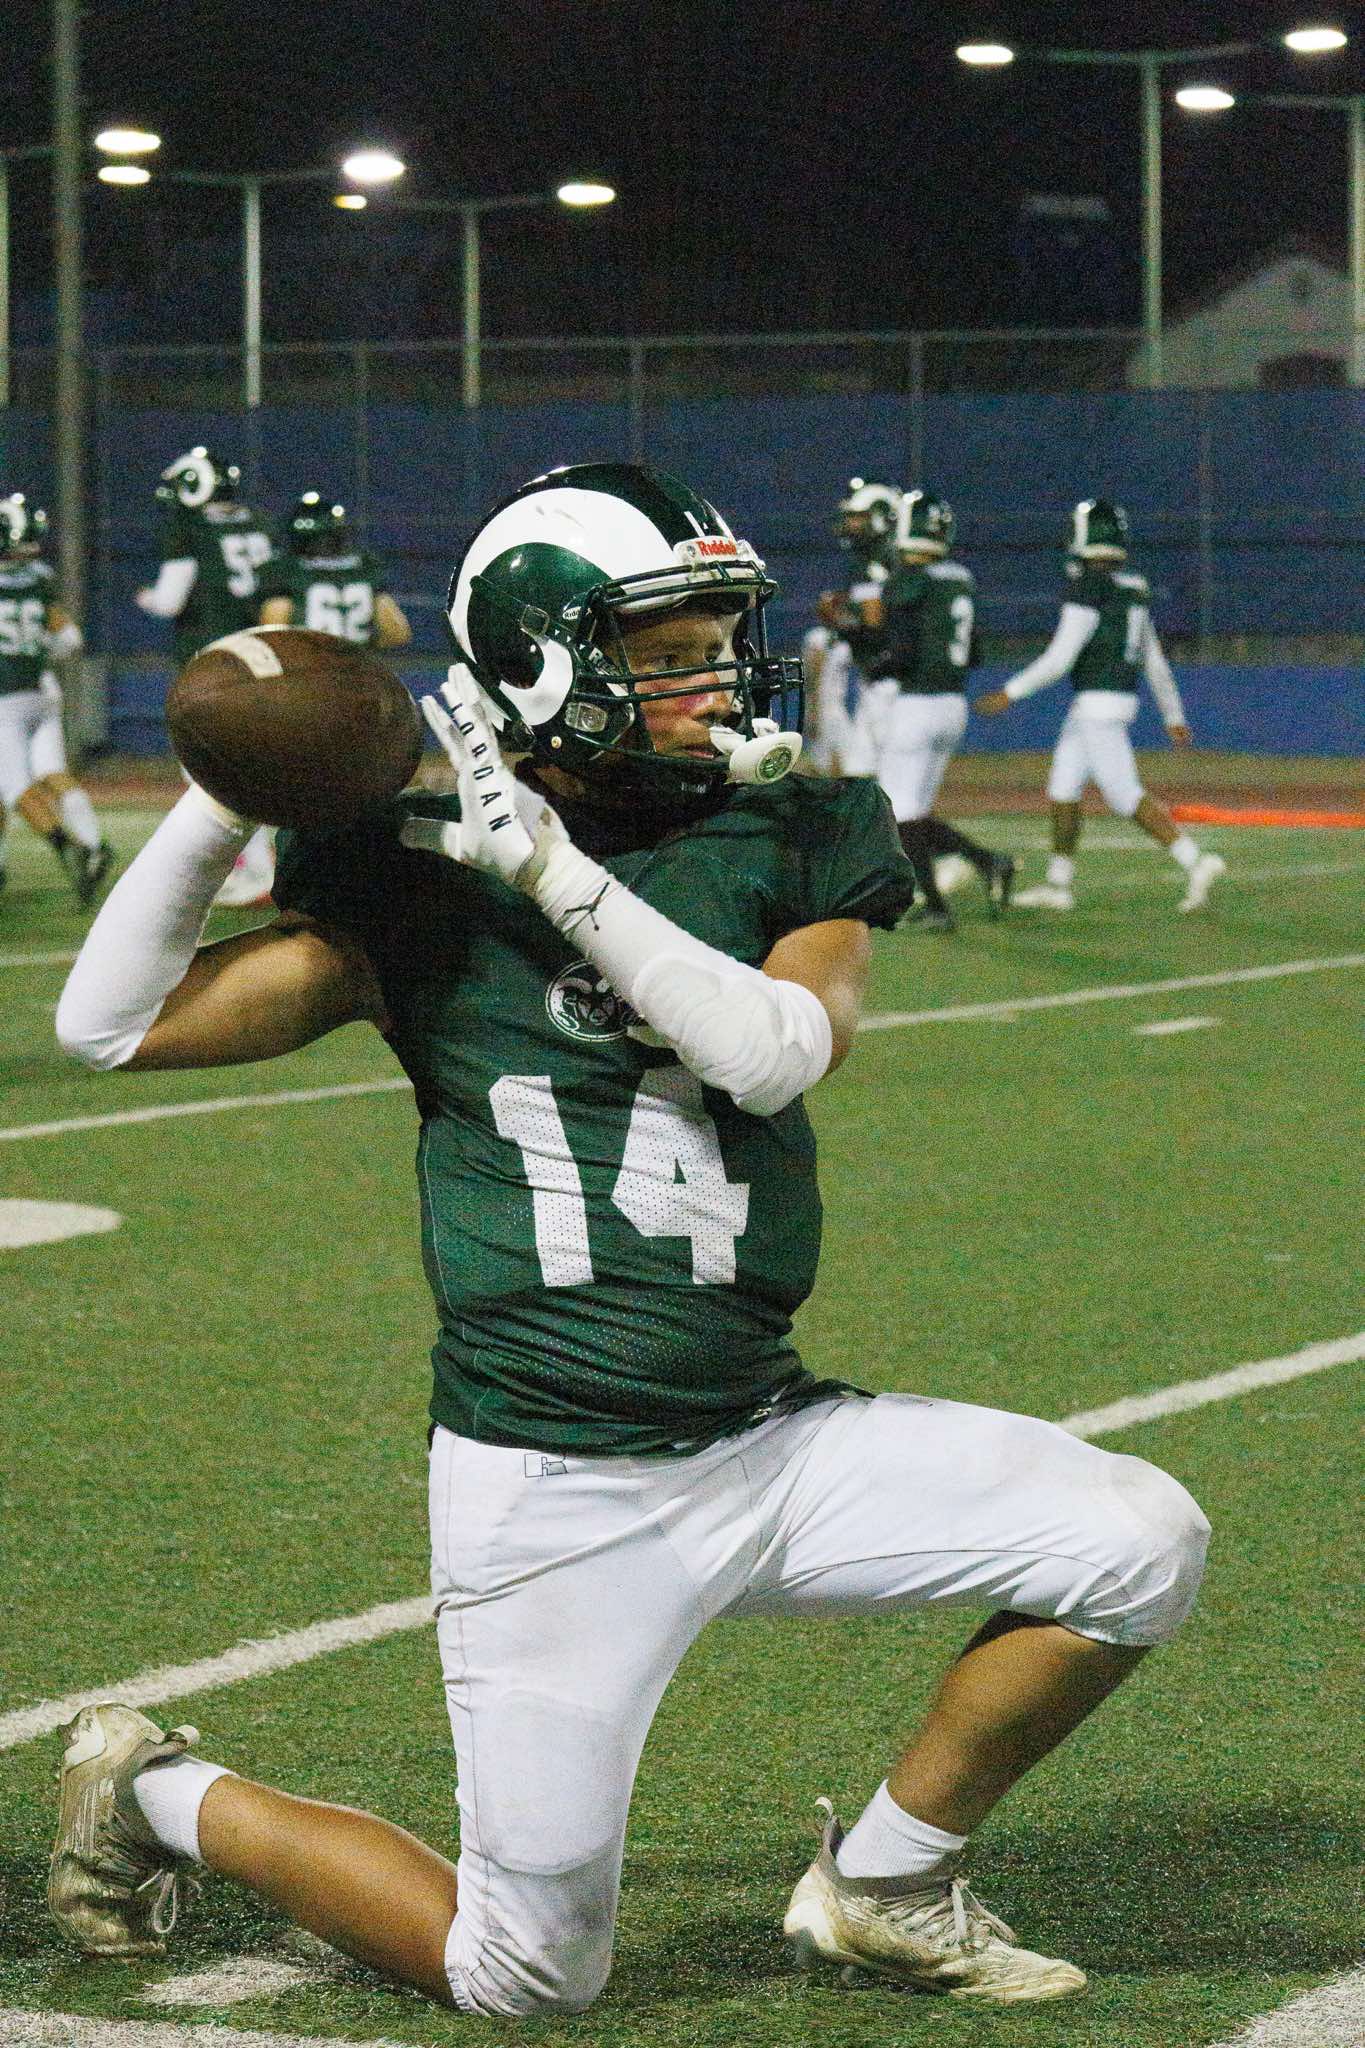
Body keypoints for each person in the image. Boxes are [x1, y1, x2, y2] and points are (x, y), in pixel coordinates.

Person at [50, 461, 1209, 2018]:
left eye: (717, 638)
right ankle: (155, 1792)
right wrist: (231, 785)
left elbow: (776, 1052)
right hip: (556, 1485)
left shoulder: (792, 826)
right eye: (665, 651)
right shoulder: (411, 875)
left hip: (770, 1437)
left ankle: (883, 1881)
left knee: (1137, 1537)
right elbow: (109, 1028)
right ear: (542, 665)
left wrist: (556, 871)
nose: (715, 674)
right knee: (524, 1973)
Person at [975, 500, 1226, 912]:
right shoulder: (1132, 591)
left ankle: (1195, 860)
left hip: (1097, 706)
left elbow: (1060, 659)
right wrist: (1173, 713)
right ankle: (1058, 884)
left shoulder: (1088, 589)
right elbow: (1154, 660)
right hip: (1106, 703)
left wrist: (1011, 692)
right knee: (1063, 787)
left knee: (1123, 794)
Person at [859, 490, 1014, 931]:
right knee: (914, 811)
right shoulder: (959, 579)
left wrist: (875, 662)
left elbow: (902, 651)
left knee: (898, 811)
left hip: (918, 704)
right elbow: (974, 652)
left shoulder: (908, 579)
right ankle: (988, 862)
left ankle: (936, 905)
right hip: (953, 704)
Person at [134, 447, 278, 908]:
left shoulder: (191, 527)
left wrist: (146, 598)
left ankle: (253, 867)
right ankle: (271, 860)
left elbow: (170, 600)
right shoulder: (259, 522)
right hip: (266, 651)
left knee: (208, 764)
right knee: (261, 758)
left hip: (213, 656)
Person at [0, 493, 113, 904]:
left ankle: (70, 846)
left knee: (14, 787)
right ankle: (94, 843)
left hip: (6, 696)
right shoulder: (40, 577)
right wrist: (33, 650)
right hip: (41, 688)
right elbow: (70, 639)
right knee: (50, 770)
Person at [803, 477, 897, 774]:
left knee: (881, 772)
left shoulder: (879, 562)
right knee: (861, 771)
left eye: (859, 517)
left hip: (892, 678)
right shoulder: (881, 559)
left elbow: (873, 626)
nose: (851, 524)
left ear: (880, 517)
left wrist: (837, 619)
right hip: (882, 675)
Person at [257, 491, 412, 648]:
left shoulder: (286, 572)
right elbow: (397, 633)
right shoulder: (364, 570)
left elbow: (272, 633)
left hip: (307, 661)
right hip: (355, 661)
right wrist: (366, 651)